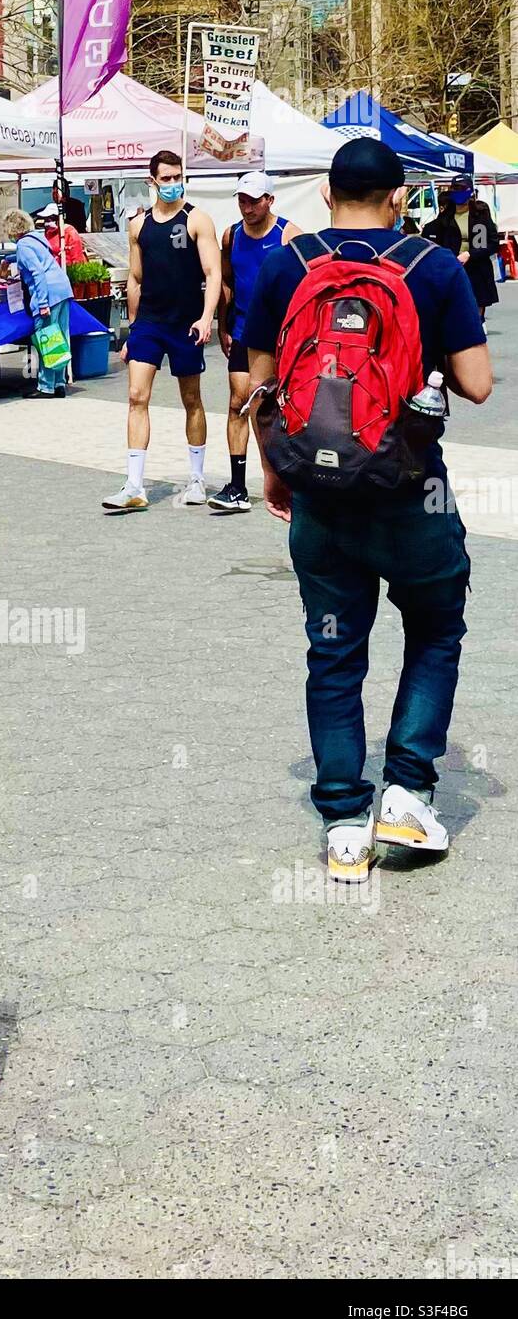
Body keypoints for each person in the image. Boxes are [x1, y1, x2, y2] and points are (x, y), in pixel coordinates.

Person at [243, 137, 492, 882]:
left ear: (325, 192)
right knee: (437, 626)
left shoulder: (289, 262)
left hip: (319, 496)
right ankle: (408, 793)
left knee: (334, 652)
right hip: (410, 490)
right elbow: (477, 383)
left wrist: (277, 471)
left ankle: (345, 823)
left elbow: (255, 386)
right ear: (399, 198)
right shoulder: (433, 266)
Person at [102, 149, 221, 513]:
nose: (172, 184)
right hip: (150, 323)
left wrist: (206, 318)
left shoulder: (197, 219)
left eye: (177, 177)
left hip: (185, 323)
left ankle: (197, 479)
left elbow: (213, 273)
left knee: (191, 400)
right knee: (137, 396)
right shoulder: (138, 226)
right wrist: (132, 330)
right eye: (166, 178)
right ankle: (135, 485)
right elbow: (135, 279)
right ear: (152, 181)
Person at [214, 171, 300, 514]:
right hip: (244, 330)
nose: (247, 208)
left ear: (270, 200)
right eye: (242, 201)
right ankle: (237, 485)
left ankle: (292, 475)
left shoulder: (289, 235)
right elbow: (228, 282)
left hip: (281, 334)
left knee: (279, 406)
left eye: (253, 201)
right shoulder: (231, 236)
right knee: (239, 400)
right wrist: (224, 325)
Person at [2, 208, 73, 399]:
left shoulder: (23, 245)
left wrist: (42, 303)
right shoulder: (37, 239)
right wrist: (9, 259)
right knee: (60, 338)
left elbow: (37, 273)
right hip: (62, 289)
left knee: (46, 338)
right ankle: (59, 383)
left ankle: (46, 386)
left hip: (48, 293)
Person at [422, 175, 499, 324]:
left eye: (462, 189)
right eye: (455, 189)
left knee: (476, 308)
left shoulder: (479, 217)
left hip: (476, 269)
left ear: (470, 192)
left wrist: (470, 254)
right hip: (451, 267)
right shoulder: (445, 218)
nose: (458, 192)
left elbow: (488, 244)